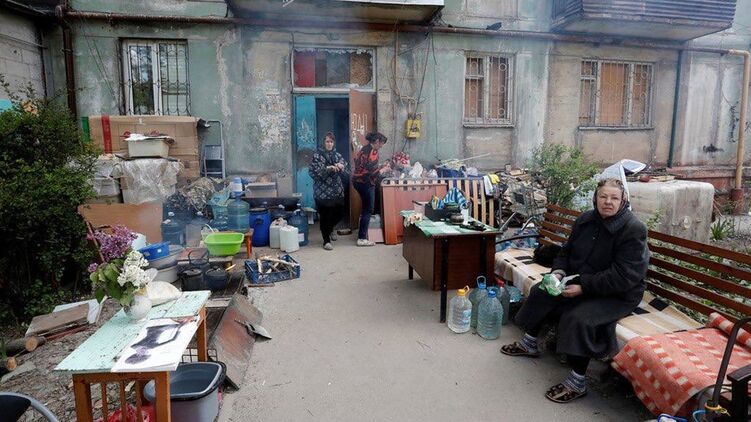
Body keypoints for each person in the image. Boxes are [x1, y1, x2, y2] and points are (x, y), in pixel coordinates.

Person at [500, 178, 649, 403]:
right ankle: (529, 343)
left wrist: (584, 287)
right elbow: (566, 252)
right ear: (595, 198)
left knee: (577, 317)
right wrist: (558, 273)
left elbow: (624, 275)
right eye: (603, 196)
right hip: (583, 280)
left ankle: (577, 382)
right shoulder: (586, 220)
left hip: (618, 293)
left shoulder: (633, 229)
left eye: (614, 198)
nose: (608, 202)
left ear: (623, 200)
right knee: (544, 290)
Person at [309, 132, 349, 251]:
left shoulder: (337, 155)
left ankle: (330, 228)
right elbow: (313, 173)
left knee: (340, 213)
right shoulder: (317, 156)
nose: (329, 144)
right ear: (323, 142)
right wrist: (328, 168)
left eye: (331, 141)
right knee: (325, 216)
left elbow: (347, 172)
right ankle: (326, 240)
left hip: (337, 190)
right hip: (322, 193)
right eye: (327, 141)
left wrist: (341, 167)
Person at [352, 131, 389, 247]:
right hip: (365, 182)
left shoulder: (364, 149)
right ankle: (362, 238)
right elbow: (372, 173)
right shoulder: (373, 151)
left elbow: (367, 166)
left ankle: (362, 235)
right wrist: (383, 170)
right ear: (377, 141)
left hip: (357, 181)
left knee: (366, 208)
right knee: (368, 210)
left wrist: (380, 166)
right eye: (382, 143)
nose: (382, 146)